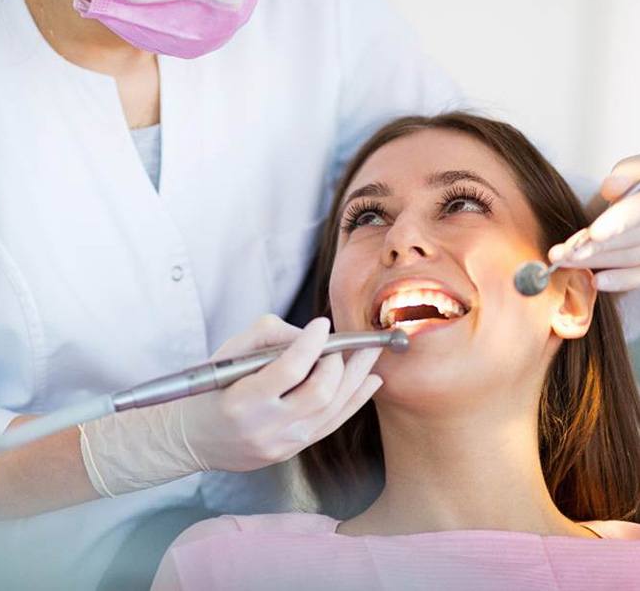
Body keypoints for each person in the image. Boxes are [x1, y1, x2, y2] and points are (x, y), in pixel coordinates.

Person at [0, 0, 639, 588]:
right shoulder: (231, 567)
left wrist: (611, 220)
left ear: (571, 300)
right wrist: (148, 444)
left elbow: (485, 180)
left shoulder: (313, 2)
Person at [152, 113, 640, 591]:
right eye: (366, 218)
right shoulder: (225, 569)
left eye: (462, 204)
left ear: (570, 300)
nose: (400, 240)